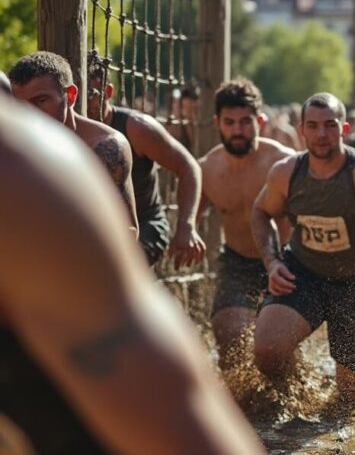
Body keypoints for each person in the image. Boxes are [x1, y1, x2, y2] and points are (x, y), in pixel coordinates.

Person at [0, 94, 265, 454]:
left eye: (43, 100)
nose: (34, 109)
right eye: (25, 100)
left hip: (136, 229)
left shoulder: (34, 164)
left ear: (73, 95)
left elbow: (181, 173)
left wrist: (185, 226)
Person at [251, 92, 355, 399]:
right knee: (267, 351)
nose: (321, 134)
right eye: (313, 126)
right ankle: (292, 393)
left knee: (354, 397)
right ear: (302, 130)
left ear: (344, 128)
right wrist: (272, 262)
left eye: (330, 125)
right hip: (303, 274)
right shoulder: (286, 172)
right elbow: (260, 212)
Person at [197, 79, 295, 369]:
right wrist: (187, 230)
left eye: (245, 122)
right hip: (238, 261)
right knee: (229, 336)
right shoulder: (207, 169)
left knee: (275, 350)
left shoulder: (284, 163)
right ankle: (243, 406)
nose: (237, 130)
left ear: (260, 121)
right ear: (217, 123)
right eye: (230, 122)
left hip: (288, 262)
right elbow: (188, 216)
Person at [87, 65, 205, 267]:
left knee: (114, 268)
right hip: (96, 230)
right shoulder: (64, 129)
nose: (85, 100)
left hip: (145, 225)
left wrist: (186, 226)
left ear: (108, 92)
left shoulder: (136, 128)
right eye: (81, 93)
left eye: (91, 93)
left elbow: (188, 166)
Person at [9, 52, 138, 233]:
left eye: (40, 101)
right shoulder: (15, 145)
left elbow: (128, 232)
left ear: (70, 96)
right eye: (20, 106)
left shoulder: (104, 147)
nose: (29, 114)